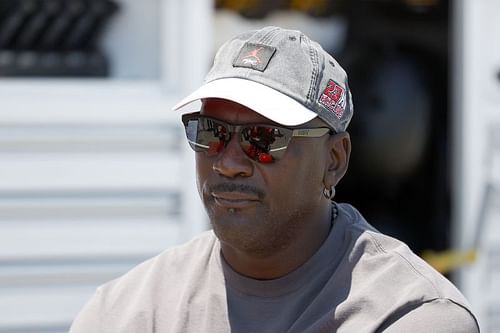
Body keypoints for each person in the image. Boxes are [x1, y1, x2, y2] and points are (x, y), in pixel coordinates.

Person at [69, 26, 479, 332]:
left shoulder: (407, 315)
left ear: (333, 160)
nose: (229, 163)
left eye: (263, 138)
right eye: (209, 132)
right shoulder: (129, 310)